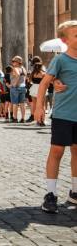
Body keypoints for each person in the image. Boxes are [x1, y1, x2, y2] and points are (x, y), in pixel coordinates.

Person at [34, 21, 77, 214]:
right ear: (64, 40)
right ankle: (50, 194)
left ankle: (75, 192)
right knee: (57, 152)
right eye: (76, 35)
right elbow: (43, 84)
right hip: (63, 114)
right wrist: (39, 108)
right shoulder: (60, 60)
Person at [10, 56, 27, 123]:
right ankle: (23, 118)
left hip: (16, 87)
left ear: (17, 62)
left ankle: (15, 118)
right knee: (22, 104)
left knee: (15, 103)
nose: (12, 62)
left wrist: (15, 84)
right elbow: (25, 77)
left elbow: (18, 75)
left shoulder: (15, 68)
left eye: (13, 61)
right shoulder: (23, 68)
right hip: (23, 86)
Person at [29, 62, 46, 126]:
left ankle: (38, 120)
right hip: (41, 88)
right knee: (42, 105)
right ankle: (42, 120)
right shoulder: (43, 73)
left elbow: (29, 81)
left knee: (36, 105)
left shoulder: (32, 73)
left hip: (34, 88)